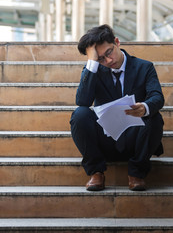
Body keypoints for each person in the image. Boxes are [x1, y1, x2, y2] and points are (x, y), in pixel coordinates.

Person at [70, 24, 164, 191]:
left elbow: (157, 97)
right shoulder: (94, 70)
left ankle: (137, 173)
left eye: (108, 52)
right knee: (80, 114)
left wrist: (145, 107)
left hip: (136, 138)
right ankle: (96, 172)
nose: (108, 61)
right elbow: (82, 101)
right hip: (105, 139)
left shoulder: (144, 67)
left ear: (117, 42)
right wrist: (92, 62)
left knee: (154, 116)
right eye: (100, 59)